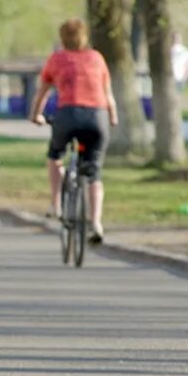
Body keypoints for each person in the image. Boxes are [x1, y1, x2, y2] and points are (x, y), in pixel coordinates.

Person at [29, 18, 118, 244]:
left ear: (62, 38)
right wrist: (113, 118)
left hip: (67, 116)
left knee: (55, 156)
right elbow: (108, 94)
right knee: (94, 173)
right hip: (97, 117)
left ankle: (56, 203)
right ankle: (96, 222)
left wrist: (35, 115)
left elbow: (43, 92)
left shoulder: (57, 59)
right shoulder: (97, 58)